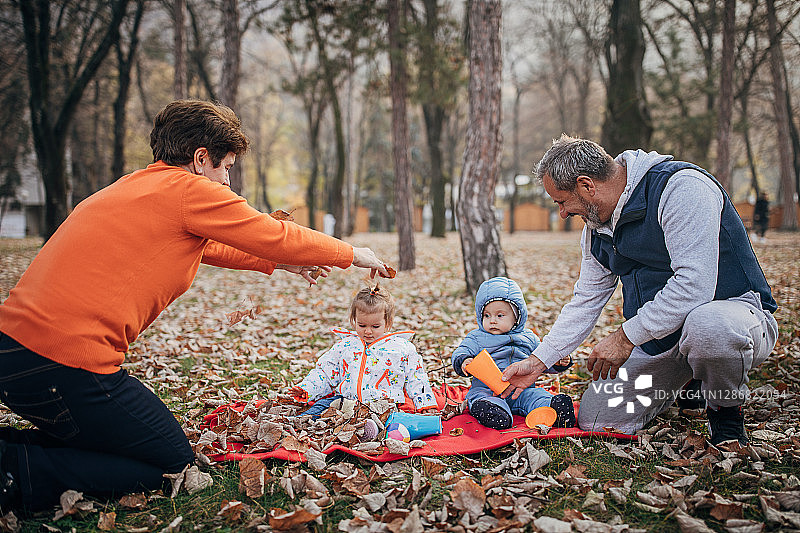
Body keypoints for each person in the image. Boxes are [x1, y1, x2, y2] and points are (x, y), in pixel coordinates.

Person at [0, 99, 391, 512]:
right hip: (63, 363)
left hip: (15, 353)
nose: (227, 180)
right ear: (201, 159)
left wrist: (278, 262)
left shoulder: (138, 187)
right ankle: (13, 474)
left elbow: (210, 245)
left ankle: (14, 453)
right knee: (171, 463)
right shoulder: (188, 190)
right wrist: (351, 253)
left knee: (127, 445)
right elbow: (270, 232)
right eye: (226, 167)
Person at [501, 135, 778, 446]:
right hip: (659, 340)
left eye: (562, 201)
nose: (563, 213)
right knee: (599, 419)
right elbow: (585, 302)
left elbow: (694, 286)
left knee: (708, 327)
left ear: (586, 186)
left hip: (733, 317)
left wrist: (624, 338)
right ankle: (689, 376)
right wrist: (538, 361)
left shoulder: (682, 188)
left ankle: (724, 412)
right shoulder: (596, 229)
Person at [290, 284, 437, 416]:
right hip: (345, 400)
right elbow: (325, 372)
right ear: (354, 319)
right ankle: (301, 422)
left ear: (388, 323)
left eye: (375, 326)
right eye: (361, 325)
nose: (368, 331)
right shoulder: (345, 345)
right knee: (320, 408)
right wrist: (307, 388)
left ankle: (371, 428)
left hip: (382, 404)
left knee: (381, 420)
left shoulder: (401, 349)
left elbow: (416, 377)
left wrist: (425, 403)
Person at [451, 277, 576, 430]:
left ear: (517, 316)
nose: (492, 321)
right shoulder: (476, 337)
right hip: (488, 389)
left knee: (537, 396)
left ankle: (555, 410)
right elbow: (462, 350)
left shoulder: (529, 338)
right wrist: (464, 360)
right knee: (482, 397)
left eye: (500, 315)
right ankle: (493, 412)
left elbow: (542, 361)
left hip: (521, 390)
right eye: (487, 315)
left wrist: (557, 361)